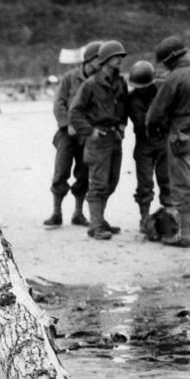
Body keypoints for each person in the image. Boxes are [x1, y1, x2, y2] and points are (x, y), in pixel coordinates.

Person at [69, 40, 129, 240]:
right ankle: (95, 226)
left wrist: (122, 125)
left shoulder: (120, 83)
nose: (120, 59)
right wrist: (90, 131)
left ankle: (99, 219)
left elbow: (123, 107)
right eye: (115, 56)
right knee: (98, 184)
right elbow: (75, 113)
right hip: (98, 139)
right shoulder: (91, 84)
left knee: (112, 182)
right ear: (105, 60)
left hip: (114, 138)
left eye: (121, 56)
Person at [45, 40, 103, 228]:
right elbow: (59, 104)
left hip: (87, 134)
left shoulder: (99, 81)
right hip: (66, 134)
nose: (101, 63)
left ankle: (78, 213)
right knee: (61, 171)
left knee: (84, 174)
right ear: (88, 60)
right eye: (98, 59)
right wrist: (67, 124)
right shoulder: (69, 78)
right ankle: (56, 213)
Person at [146, 35, 190, 247]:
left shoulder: (174, 78)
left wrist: (153, 129)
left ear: (170, 59)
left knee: (182, 186)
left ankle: (184, 234)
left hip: (182, 137)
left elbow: (155, 114)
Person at [126, 60, 173, 239]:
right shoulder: (130, 98)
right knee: (144, 183)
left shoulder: (162, 90)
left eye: (144, 86)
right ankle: (145, 218)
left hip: (162, 141)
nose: (141, 90)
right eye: (138, 87)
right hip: (143, 143)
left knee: (166, 180)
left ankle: (170, 216)